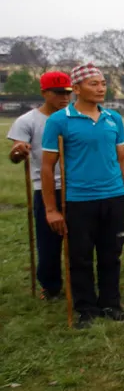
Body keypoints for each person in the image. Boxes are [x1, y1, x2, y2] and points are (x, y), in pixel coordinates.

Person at [41, 64, 124, 328]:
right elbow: (47, 166)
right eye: (94, 84)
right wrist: (51, 209)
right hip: (79, 200)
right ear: (77, 88)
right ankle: (85, 309)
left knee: (111, 254)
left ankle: (110, 304)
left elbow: (123, 160)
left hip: (114, 197)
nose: (101, 88)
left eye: (103, 83)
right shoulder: (59, 120)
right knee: (80, 256)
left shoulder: (113, 118)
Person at [7, 71, 71, 300]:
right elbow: (16, 152)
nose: (64, 97)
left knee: (78, 241)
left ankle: (79, 283)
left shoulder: (74, 117)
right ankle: (51, 286)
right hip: (46, 187)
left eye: (68, 92)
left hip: (76, 186)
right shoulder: (27, 121)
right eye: (58, 93)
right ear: (44, 93)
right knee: (49, 241)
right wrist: (18, 152)